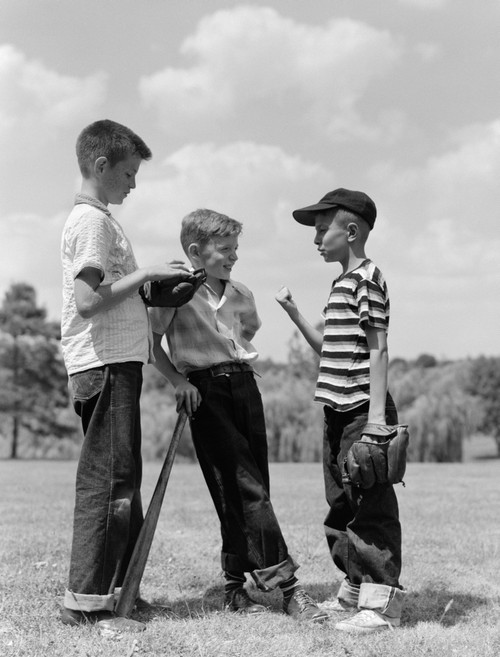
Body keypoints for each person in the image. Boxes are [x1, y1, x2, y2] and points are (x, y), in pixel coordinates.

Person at [149, 208, 328, 623]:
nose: (233, 257)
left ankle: (234, 586)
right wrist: (180, 381)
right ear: (196, 251)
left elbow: (248, 331)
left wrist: (233, 360)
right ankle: (288, 589)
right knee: (245, 488)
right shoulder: (173, 292)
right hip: (205, 392)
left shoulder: (242, 293)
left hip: (246, 386)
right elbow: (152, 345)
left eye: (235, 249)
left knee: (250, 484)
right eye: (224, 249)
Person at [60, 119, 191, 632]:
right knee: (109, 483)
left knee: (122, 481)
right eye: (130, 173)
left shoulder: (99, 220)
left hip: (116, 362)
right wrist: (150, 273)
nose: (134, 184)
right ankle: (86, 601)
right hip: (105, 364)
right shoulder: (92, 223)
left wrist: (157, 291)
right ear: (101, 165)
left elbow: (111, 294)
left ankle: (121, 594)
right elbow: (89, 301)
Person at [275, 188, 406, 634]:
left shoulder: (367, 278)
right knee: (340, 504)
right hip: (335, 410)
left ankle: (382, 604)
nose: (315, 239)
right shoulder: (340, 284)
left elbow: (379, 348)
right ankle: (353, 591)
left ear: (350, 231)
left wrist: (375, 420)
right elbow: (329, 349)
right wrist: (294, 313)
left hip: (360, 412)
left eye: (320, 230)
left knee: (371, 506)